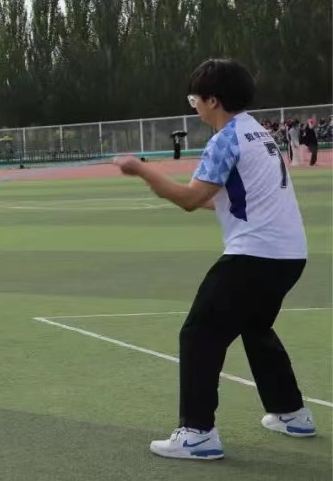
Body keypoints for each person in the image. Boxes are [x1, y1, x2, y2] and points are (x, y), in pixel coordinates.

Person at [112, 59, 314, 461]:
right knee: (255, 327)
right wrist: (166, 186)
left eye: (195, 100)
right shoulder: (258, 132)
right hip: (289, 255)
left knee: (199, 333)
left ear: (213, 100)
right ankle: (292, 413)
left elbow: (191, 200)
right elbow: (224, 200)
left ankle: (197, 433)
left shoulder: (226, 139)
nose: (195, 107)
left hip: (255, 254)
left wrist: (142, 171)